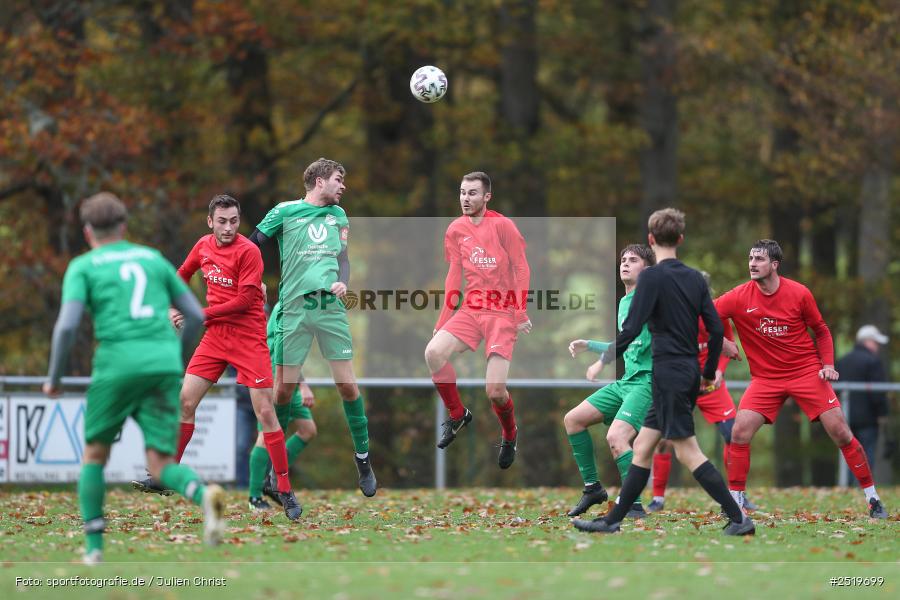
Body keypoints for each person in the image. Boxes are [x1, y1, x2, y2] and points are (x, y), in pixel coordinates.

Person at [44, 192, 226, 564]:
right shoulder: (152, 259)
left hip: (117, 365)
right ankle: (202, 494)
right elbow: (195, 315)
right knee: (160, 463)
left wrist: (54, 378)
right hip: (162, 365)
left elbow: (67, 327)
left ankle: (94, 549)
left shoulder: (83, 266)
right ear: (124, 226)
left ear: (87, 232)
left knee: (95, 455)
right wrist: (174, 360)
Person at [573, 208, 753, 536]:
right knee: (642, 449)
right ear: (680, 239)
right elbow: (716, 329)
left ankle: (739, 518)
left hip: (669, 374)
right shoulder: (695, 278)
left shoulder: (651, 278)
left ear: (651, 239)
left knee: (687, 451)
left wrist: (603, 360)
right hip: (681, 373)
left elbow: (631, 329)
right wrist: (708, 371)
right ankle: (612, 521)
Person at [132, 194, 301, 521]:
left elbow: (245, 301)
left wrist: (197, 314)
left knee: (266, 413)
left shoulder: (248, 252)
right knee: (185, 402)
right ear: (210, 221)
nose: (228, 228)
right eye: (222, 221)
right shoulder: (203, 246)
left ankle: (283, 487)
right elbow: (181, 274)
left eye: (234, 221)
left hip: (249, 338)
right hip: (215, 337)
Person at [717, 242, 888, 519]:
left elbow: (821, 330)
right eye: (750, 258)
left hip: (806, 372)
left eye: (759, 259)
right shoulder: (738, 296)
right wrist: (722, 342)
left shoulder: (799, 293)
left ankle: (873, 499)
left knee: (841, 432)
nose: (752, 264)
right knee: (739, 432)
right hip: (766, 379)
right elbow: (704, 316)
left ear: (774, 265)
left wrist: (828, 365)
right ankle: (735, 503)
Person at [248, 158, 376, 497]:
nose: (343, 185)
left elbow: (343, 259)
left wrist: (343, 281)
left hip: (328, 307)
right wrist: (252, 280)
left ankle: (363, 460)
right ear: (320, 181)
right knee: (282, 392)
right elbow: (250, 245)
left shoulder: (338, 215)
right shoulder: (285, 212)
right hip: (293, 309)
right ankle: (274, 471)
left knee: (347, 385)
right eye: (338, 179)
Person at [424, 171, 531, 469]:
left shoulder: (503, 226)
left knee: (495, 392)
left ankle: (510, 434)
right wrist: (443, 319)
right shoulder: (455, 229)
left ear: (487, 197)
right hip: (471, 310)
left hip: (502, 312)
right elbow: (453, 276)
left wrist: (520, 312)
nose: (465, 198)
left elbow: (522, 269)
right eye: (462, 192)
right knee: (433, 352)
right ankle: (458, 415)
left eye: (472, 193)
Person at [648, 272, 757, 512]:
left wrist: (718, 371)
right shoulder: (674, 314)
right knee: (663, 440)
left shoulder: (715, 314)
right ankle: (658, 498)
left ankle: (738, 495)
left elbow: (727, 347)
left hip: (710, 385)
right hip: (681, 383)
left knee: (733, 435)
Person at [564, 244, 655, 518]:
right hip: (625, 382)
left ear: (647, 269)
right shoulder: (624, 302)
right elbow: (627, 344)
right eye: (623, 260)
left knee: (617, 437)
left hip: (646, 382)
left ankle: (634, 505)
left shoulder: (652, 299)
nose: (625, 263)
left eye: (633, 260)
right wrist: (590, 345)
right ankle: (593, 489)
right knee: (573, 420)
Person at [249, 301, 318, 510]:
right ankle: (254, 497)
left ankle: (272, 479)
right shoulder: (286, 309)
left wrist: (302, 385)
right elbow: (282, 353)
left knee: (308, 430)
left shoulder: (296, 308)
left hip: (291, 382)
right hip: (273, 381)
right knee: (265, 436)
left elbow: (292, 355)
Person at [836, 325, 890, 476]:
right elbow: (878, 393)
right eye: (876, 343)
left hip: (845, 418)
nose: (878, 347)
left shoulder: (843, 361)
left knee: (849, 453)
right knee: (866, 454)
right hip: (868, 419)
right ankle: (863, 485)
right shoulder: (873, 362)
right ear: (869, 342)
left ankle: (847, 483)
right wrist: (882, 414)